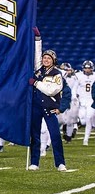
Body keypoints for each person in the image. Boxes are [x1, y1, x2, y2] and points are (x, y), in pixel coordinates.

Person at [28, 27, 67, 172]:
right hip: (36, 106)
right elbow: (37, 53)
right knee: (35, 136)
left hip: (50, 107)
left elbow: (52, 90)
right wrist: (38, 38)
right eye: (44, 57)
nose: (45, 59)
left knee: (55, 136)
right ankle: (34, 162)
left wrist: (36, 83)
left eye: (48, 58)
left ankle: (60, 163)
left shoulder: (57, 74)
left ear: (53, 60)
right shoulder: (39, 69)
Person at [75, 60, 95, 145]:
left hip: (91, 101)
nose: (87, 70)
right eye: (86, 68)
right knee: (82, 121)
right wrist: (75, 97)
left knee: (89, 118)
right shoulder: (79, 76)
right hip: (82, 101)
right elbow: (74, 87)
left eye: (89, 68)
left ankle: (85, 139)